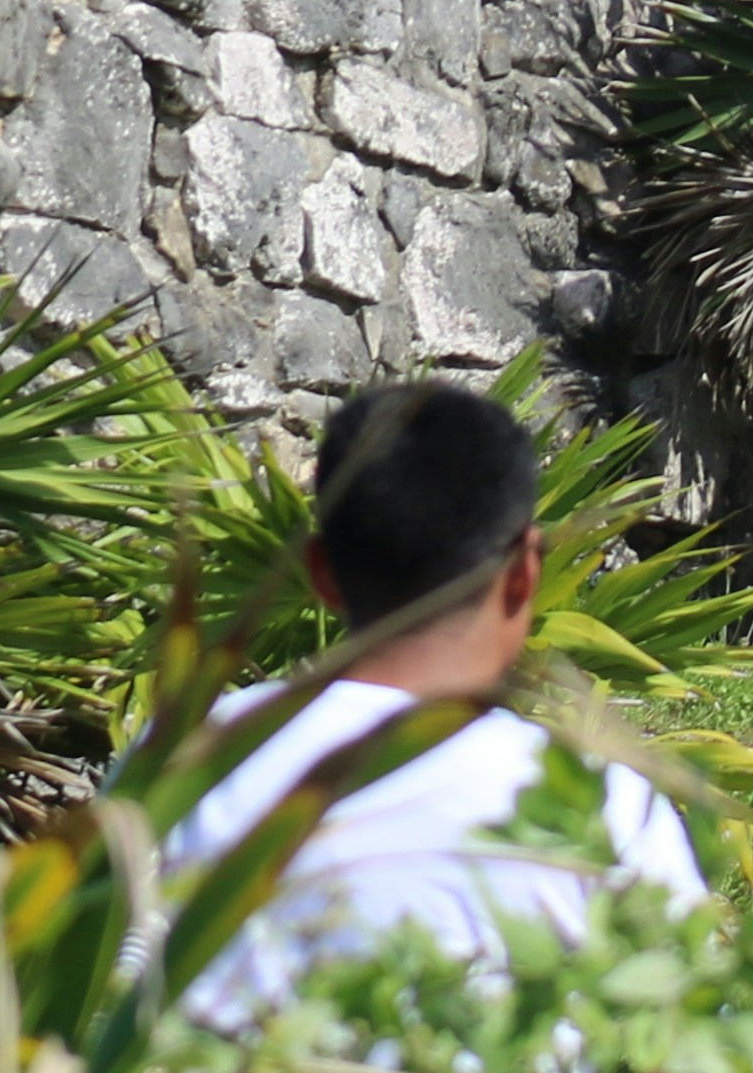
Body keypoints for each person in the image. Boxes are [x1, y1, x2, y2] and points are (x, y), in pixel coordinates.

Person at [161, 375, 706, 1029]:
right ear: (525, 572)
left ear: (321, 572)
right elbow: (700, 1068)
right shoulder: (603, 807)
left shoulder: (183, 758)